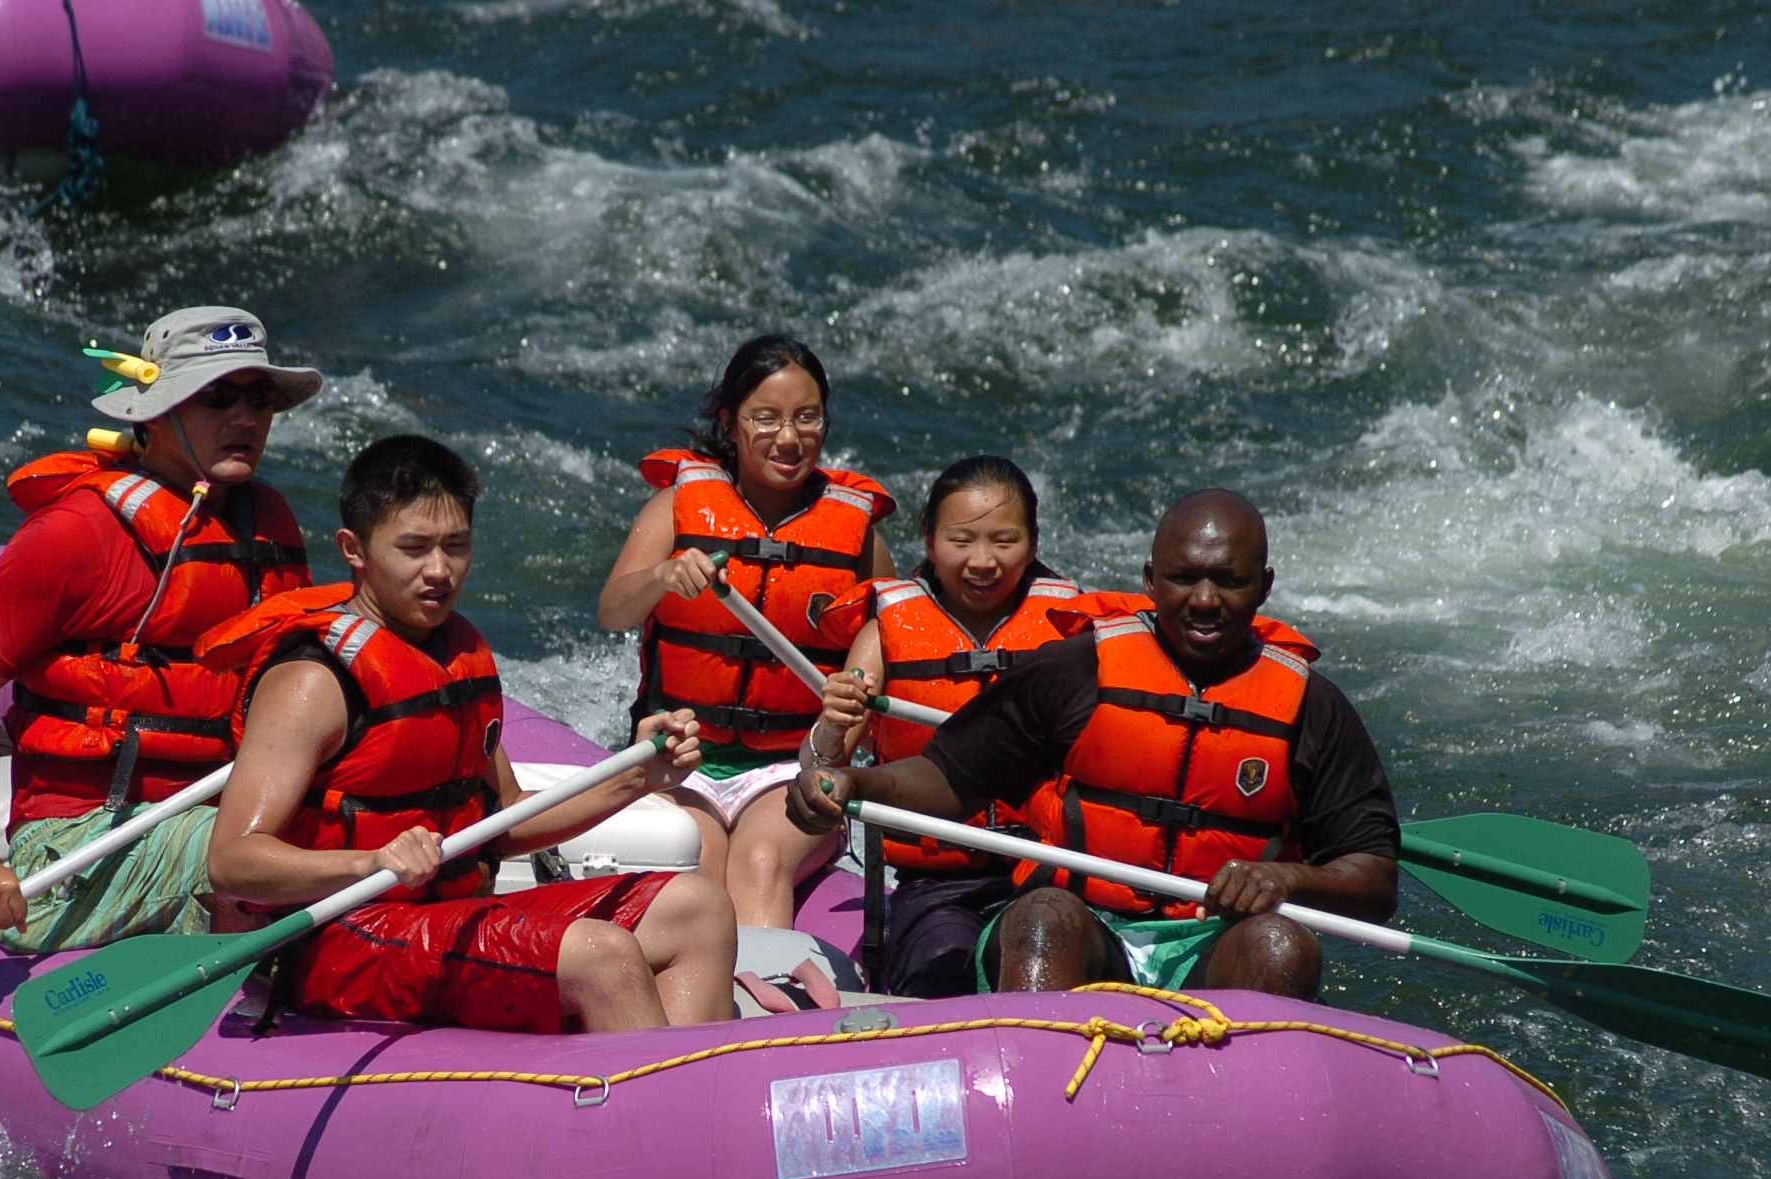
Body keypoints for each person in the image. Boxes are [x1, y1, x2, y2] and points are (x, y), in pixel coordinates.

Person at [205, 435, 736, 1034]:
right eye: (413, 548)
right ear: (354, 550)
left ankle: (684, 1080)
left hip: (443, 917)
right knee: (600, 955)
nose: (439, 570)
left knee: (700, 909)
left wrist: (637, 779)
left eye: (456, 547)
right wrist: (369, 861)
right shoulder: (312, 682)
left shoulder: (453, 658)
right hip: (340, 939)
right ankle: (652, 1088)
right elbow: (232, 861)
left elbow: (503, 823)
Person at [787, 490, 1398, 998]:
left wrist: (1287, 879)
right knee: (1043, 917)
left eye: (1229, 581)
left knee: (1281, 945)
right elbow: (951, 777)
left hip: (1215, 942)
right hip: (1086, 929)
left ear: (1263, 587)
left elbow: (1374, 878)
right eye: (1184, 578)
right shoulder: (1075, 672)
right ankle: (1038, 1083)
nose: (1205, 600)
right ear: (1150, 580)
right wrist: (854, 782)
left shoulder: (1313, 709)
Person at [0, 306, 319, 950]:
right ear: (156, 413)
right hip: (82, 841)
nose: (246, 417)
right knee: (260, 856)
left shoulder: (267, 525)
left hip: (223, 807)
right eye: (218, 396)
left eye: (259, 397)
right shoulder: (76, 535)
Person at [596, 334, 893, 930]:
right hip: (682, 755)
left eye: (807, 418)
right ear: (730, 423)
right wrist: (661, 576)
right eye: (766, 418)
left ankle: (767, 988)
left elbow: (885, 643)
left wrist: (839, 730)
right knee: (696, 859)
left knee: (759, 863)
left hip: (790, 766)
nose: (788, 438)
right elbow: (613, 611)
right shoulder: (675, 507)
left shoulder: (857, 535)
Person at [804, 457, 1080, 997]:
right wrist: (833, 728)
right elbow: (819, 767)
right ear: (929, 540)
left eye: (1004, 541)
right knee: (942, 969)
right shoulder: (886, 631)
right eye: (961, 540)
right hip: (936, 883)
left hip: (1051, 871)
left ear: (1032, 543)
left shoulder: (1072, 630)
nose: (983, 562)